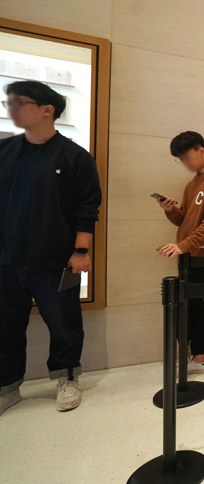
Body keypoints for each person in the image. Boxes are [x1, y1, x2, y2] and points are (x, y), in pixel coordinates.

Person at [0, 81, 102, 415]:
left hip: (56, 259)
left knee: (64, 323)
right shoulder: (5, 151)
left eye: (19, 102)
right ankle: (7, 387)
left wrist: (81, 252)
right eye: (8, 102)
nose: (11, 108)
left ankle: (67, 377)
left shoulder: (75, 156)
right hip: (6, 258)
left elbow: (86, 209)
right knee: (5, 325)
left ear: (48, 110)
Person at [156, 131, 204, 374]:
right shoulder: (192, 184)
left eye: (186, 157)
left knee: (189, 302)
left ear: (201, 150)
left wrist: (183, 245)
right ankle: (197, 357)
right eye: (180, 159)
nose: (185, 163)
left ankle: (200, 358)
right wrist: (170, 210)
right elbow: (184, 220)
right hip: (188, 253)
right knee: (190, 302)